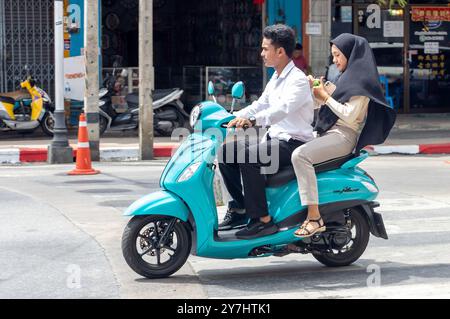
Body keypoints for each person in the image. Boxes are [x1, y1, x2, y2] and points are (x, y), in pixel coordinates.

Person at [291, 33, 396, 238]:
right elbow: (327, 105)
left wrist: (325, 97)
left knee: (300, 156)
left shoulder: (362, 82)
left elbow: (349, 114)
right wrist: (317, 92)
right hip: (329, 133)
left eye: (338, 55)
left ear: (350, 54)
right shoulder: (344, 78)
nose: (335, 60)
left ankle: (314, 217)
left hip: (343, 136)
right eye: (333, 56)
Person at [217, 24, 315, 239]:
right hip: (275, 140)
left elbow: (281, 110)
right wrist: (231, 117)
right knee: (226, 152)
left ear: (280, 51)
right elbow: (260, 104)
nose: (262, 54)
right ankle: (240, 209)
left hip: (293, 143)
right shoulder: (277, 77)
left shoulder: (297, 79)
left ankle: (263, 221)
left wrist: (252, 121)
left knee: (248, 156)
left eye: (265, 49)